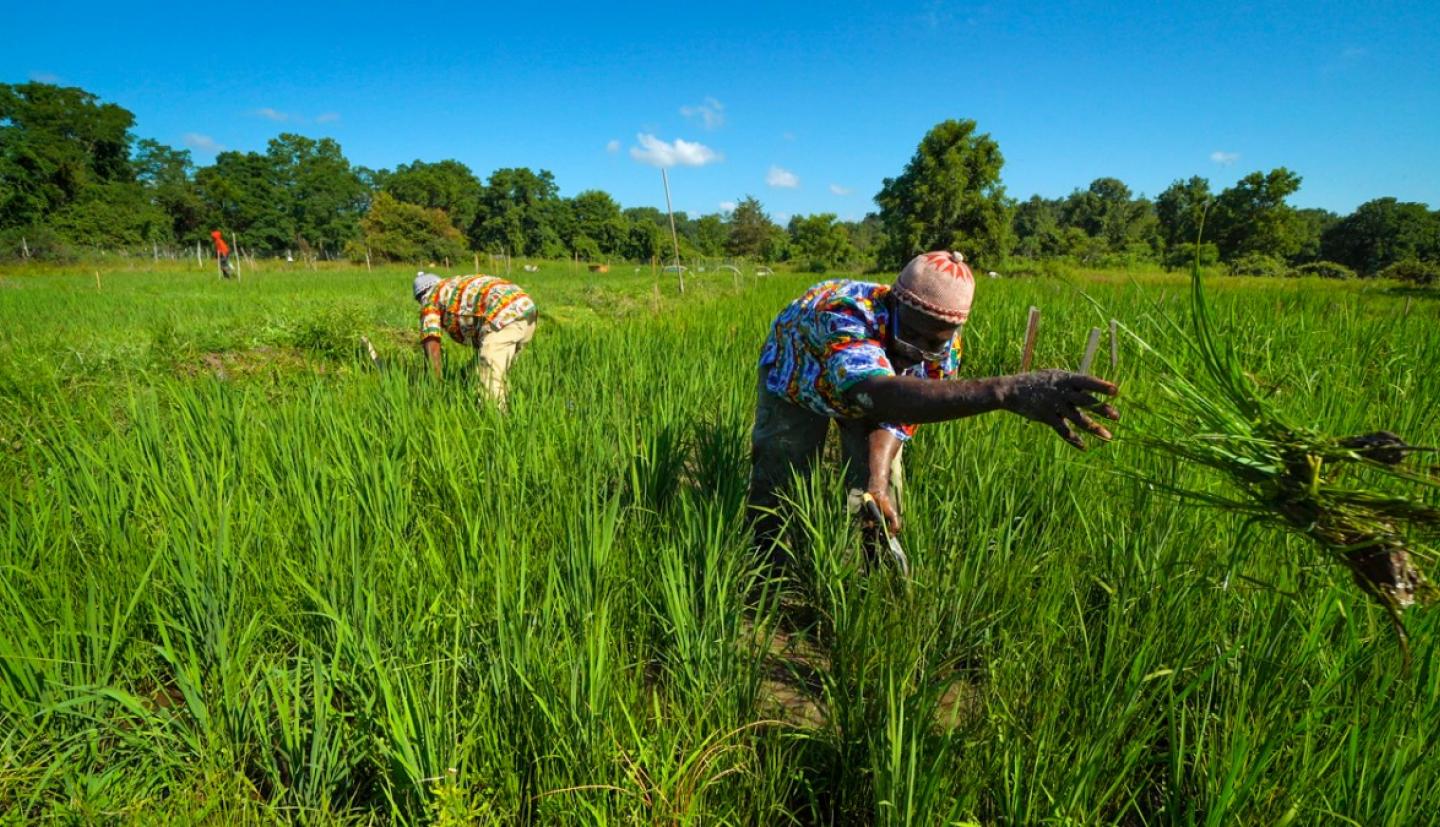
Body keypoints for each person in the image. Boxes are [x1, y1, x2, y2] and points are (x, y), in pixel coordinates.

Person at [748, 250, 1119, 565]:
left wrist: (875, 481)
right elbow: (877, 394)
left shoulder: (945, 349)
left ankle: (865, 572)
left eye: (934, 340)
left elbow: (896, 417)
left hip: (874, 389)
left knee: (882, 489)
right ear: (893, 301)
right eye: (912, 333)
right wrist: (1005, 391)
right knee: (784, 463)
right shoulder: (844, 313)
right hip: (801, 375)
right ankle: (768, 560)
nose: (918, 349)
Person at [412, 271, 538, 408]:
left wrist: (434, 389)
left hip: (502, 314)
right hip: (525, 307)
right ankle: (511, 410)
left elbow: (432, 346)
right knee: (495, 372)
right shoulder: (453, 285)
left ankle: (495, 421)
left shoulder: (430, 299)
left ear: (420, 297)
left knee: (490, 378)